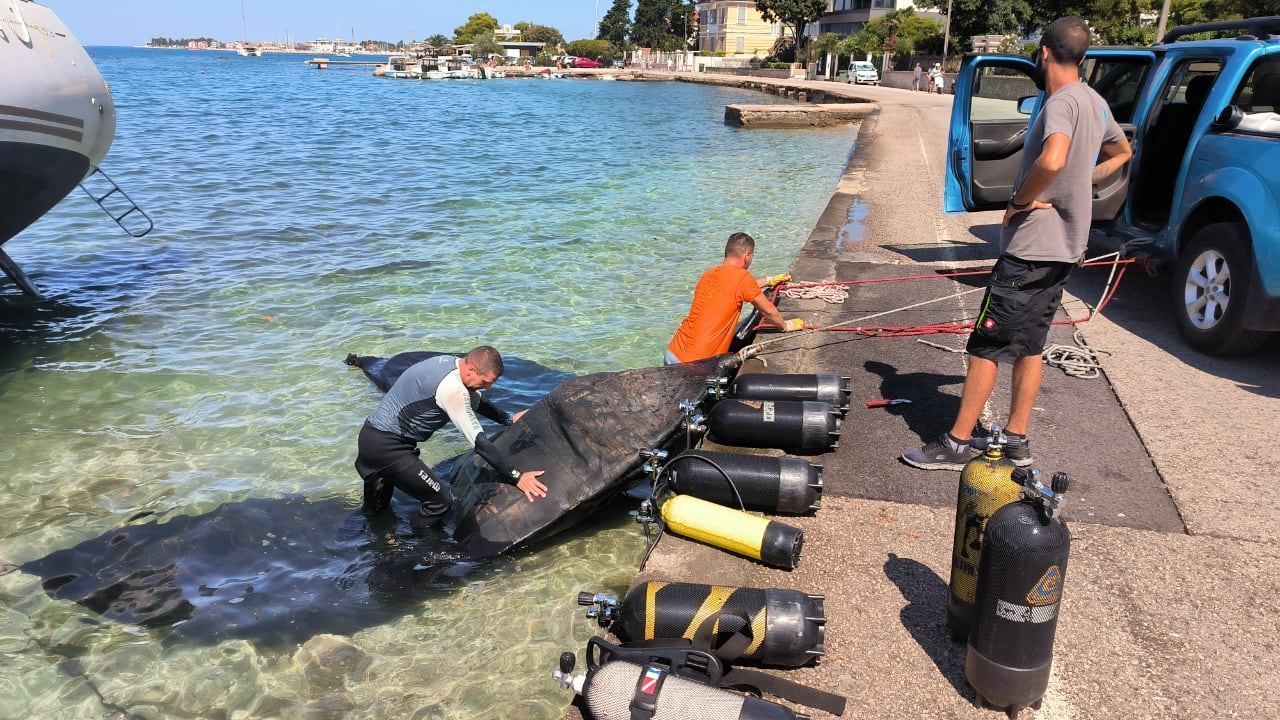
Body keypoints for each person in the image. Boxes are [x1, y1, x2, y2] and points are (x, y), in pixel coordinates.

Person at [902, 17, 1133, 471]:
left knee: (986, 345)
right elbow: (1122, 152)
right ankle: (1015, 439)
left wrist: (1022, 200)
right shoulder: (1095, 102)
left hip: (1030, 251)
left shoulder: (1061, 102)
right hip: (1065, 250)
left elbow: (1053, 158)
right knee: (1030, 345)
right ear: (1081, 57)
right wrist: (1080, 185)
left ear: (1044, 52)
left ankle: (957, 442)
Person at [355, 346, 547, 521]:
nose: (488, 388)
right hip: (389, 449)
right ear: (471, 369)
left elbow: (476, 401)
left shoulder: (450, 363)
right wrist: (518, 477)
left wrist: (508, 419)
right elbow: (480, 444)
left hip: (371, 440)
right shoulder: (452, 390)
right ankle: (422, 549)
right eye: (485, 382)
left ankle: (376, 548)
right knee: (442, 502)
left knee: (376, 513)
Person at [665, 232, 802, 365]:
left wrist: (768, 280)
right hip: (695, 363)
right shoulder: (742, 277)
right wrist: (785, 326)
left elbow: (737, 288)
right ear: (747, 255)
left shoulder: (708, 274)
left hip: (673, 352)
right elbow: (769, 312)